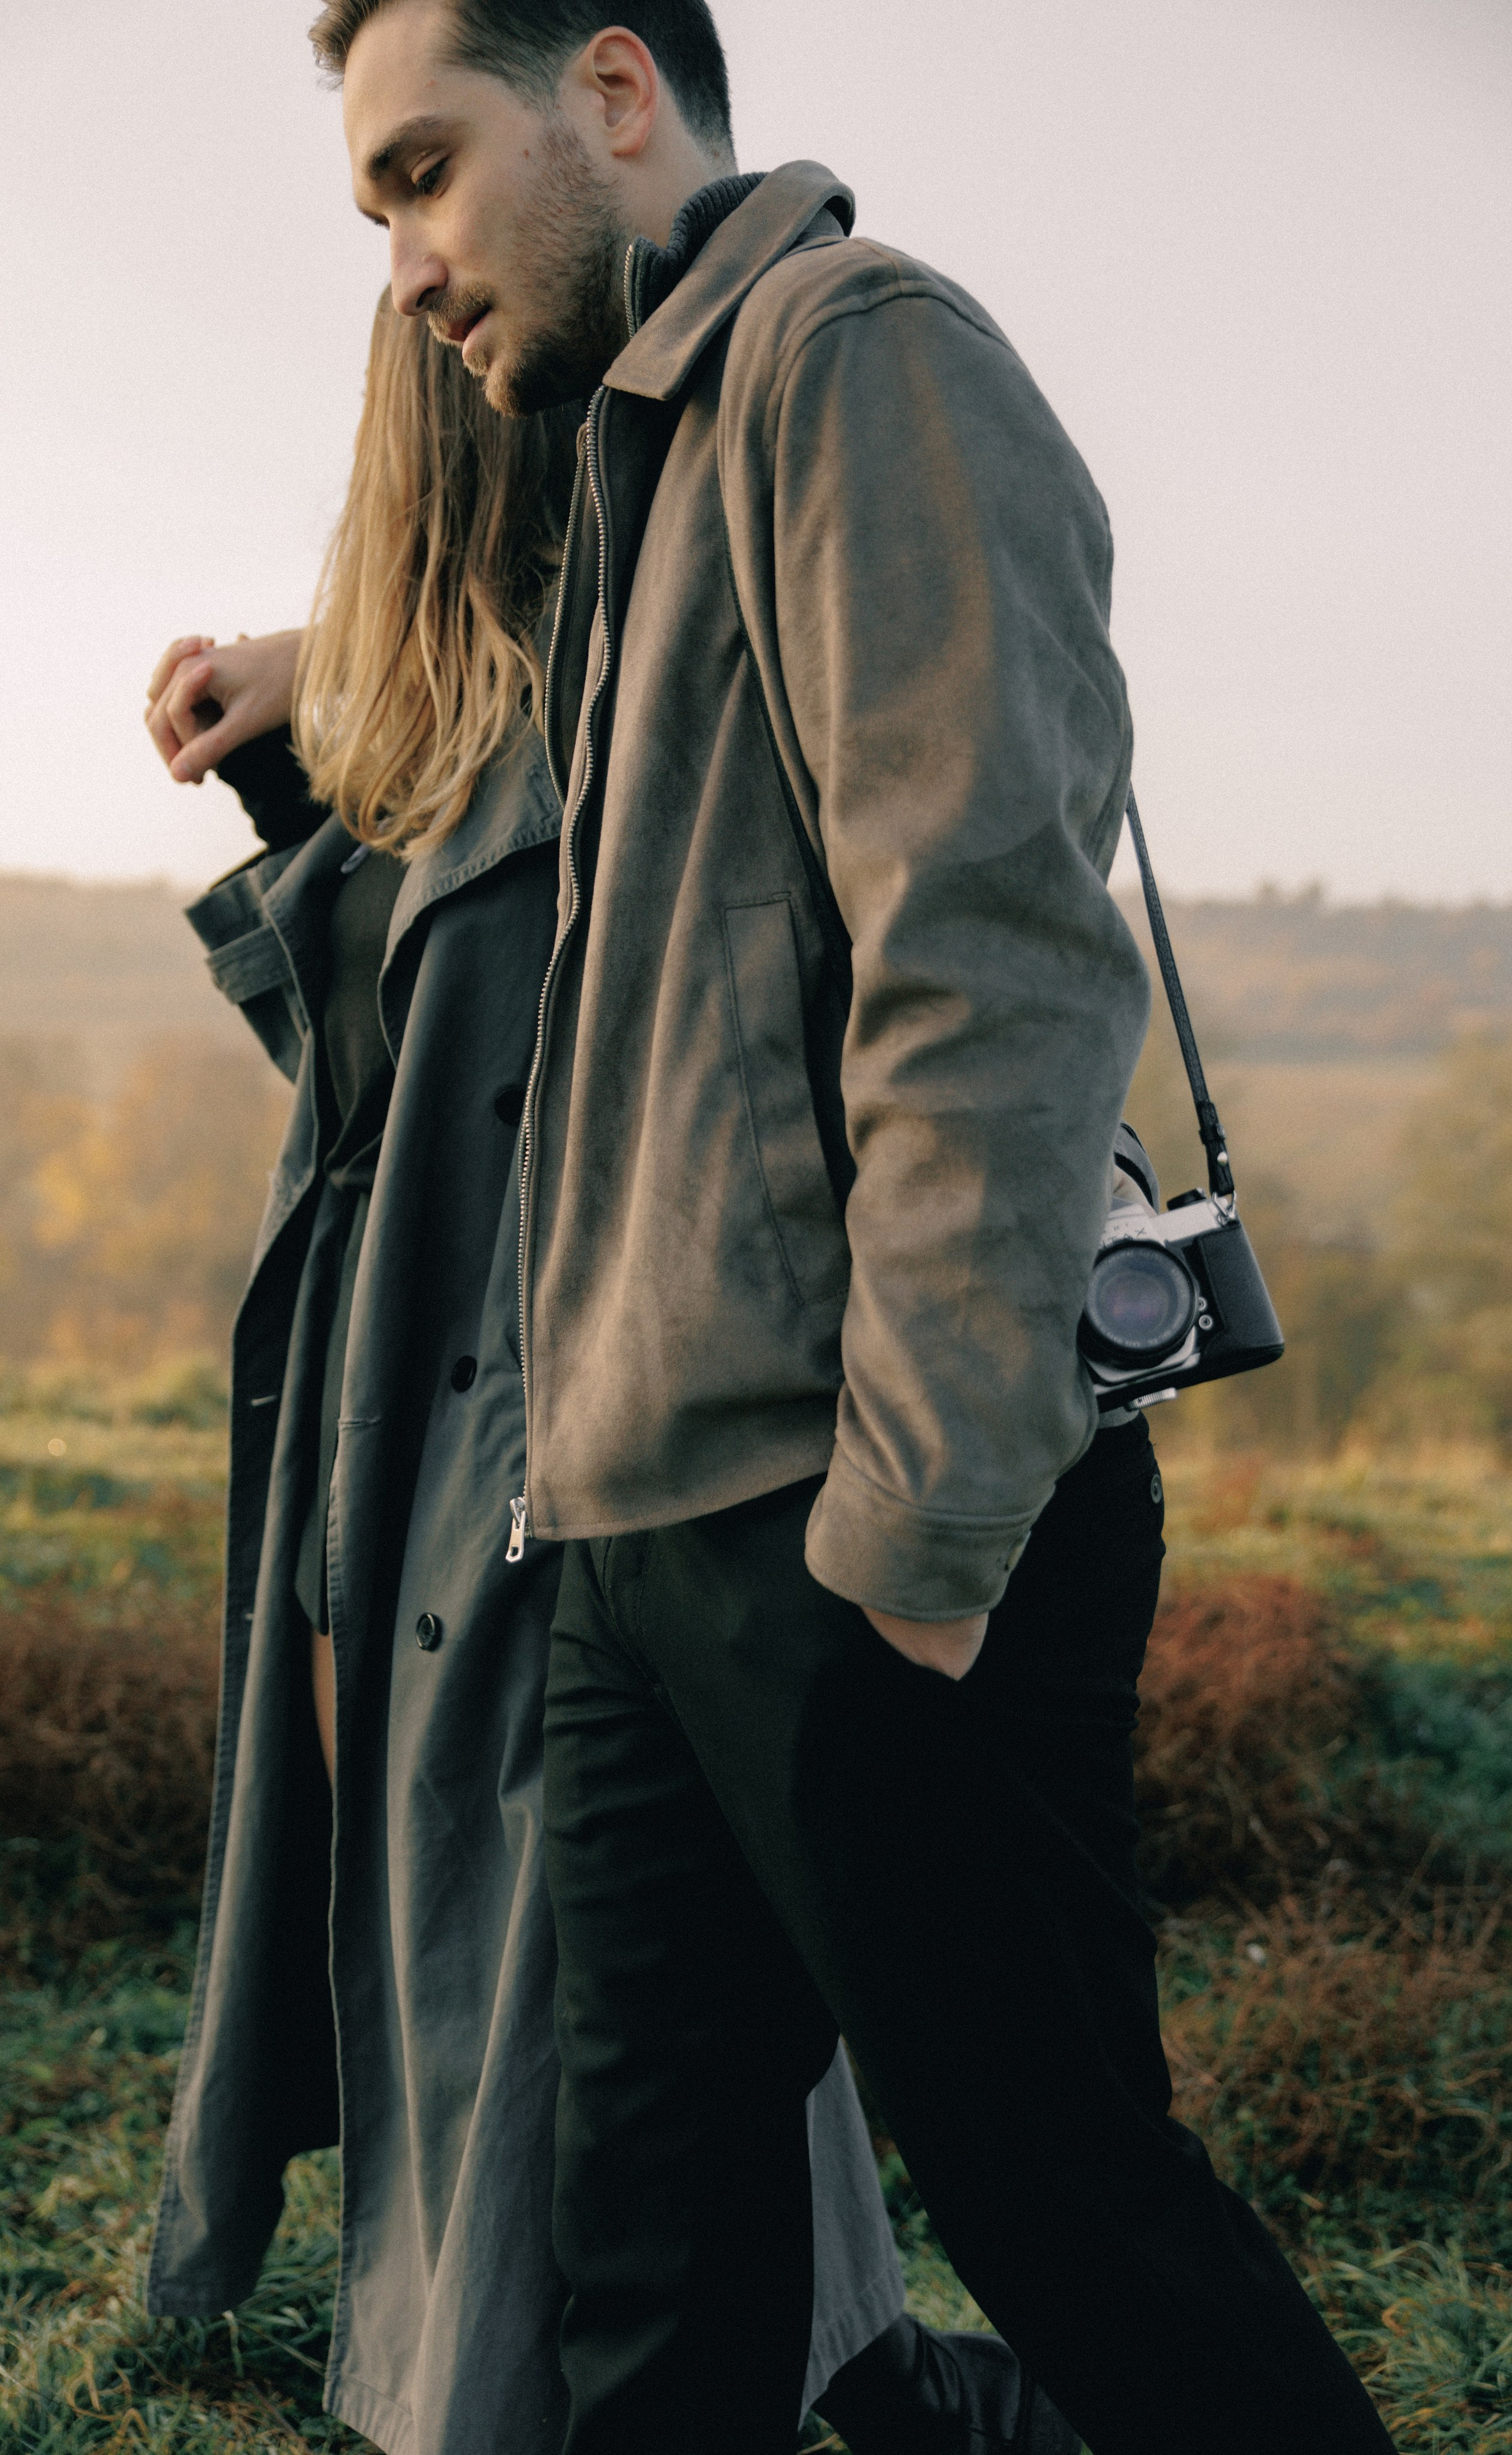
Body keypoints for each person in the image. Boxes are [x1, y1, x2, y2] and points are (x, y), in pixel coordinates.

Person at [306, 6, 1403, 2454]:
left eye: (423, 174)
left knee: (1067, 2209)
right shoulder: (633, 460)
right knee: (645, 2271)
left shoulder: (862, 359)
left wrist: (908, 1548)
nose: (403, 267)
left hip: (861, 1526)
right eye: (374, 208)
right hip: (631, 1522)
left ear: (609, 93)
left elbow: (992, 961)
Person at [142, 293, 1078, 2455]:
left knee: (577, 2016)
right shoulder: (453, 735)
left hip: (573, 1447)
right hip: (403, 1449)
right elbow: (373, 1075)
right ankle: (887, 2391)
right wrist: (310, 729)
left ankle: (861, 2391)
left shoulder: (614, 714)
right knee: (526, 2004)